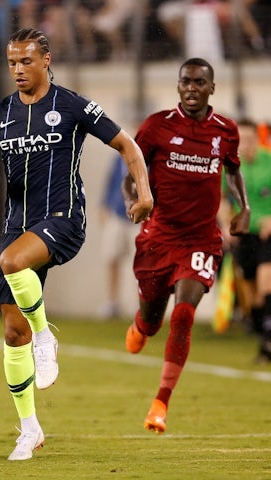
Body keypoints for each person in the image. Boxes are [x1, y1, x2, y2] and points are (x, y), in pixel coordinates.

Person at [0, 27, 153, 461]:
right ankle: (29, 429)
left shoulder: (72, 104)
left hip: (63, 219)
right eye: (12, 62)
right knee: (13, 333)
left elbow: (128, 145)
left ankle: (46, 337)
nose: (18, 70)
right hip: (17, 225)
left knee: (12, 262)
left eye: (26, 61)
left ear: (46, 60)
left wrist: (144, 192)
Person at [122, 57, 250, 434]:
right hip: (158, 237)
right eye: (185, 82)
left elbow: (234, 168)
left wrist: (244, 207)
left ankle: (160, 403)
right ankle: (142, 325)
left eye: (199, 82)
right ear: (178, 87)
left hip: (200, 240)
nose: (191, 88)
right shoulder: (156, 127)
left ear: (212, 88)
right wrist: (135, 198)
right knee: (152, 319)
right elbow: (134, 171)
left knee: (184, 315)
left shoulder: (225, 130)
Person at [223, 118, 271, 362]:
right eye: (241, 140)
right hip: (244, 237)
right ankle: (264, 343)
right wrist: (224, 225)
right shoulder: (230, 167)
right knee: (252, 295)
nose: (247, 145)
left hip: (267, 236)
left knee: (266, 286)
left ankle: (268, 342)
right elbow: (221, 200)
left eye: (250, 139)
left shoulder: (269, 161)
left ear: (257, 139)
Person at [99, 153, 140, 319]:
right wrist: (104, 205)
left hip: (140, 217)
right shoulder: (120, 157)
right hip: (117, 212)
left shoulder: (151, 155)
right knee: (112, 258)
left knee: (140, 262)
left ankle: (140, 303)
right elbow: (111, 181)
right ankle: (112, 302)